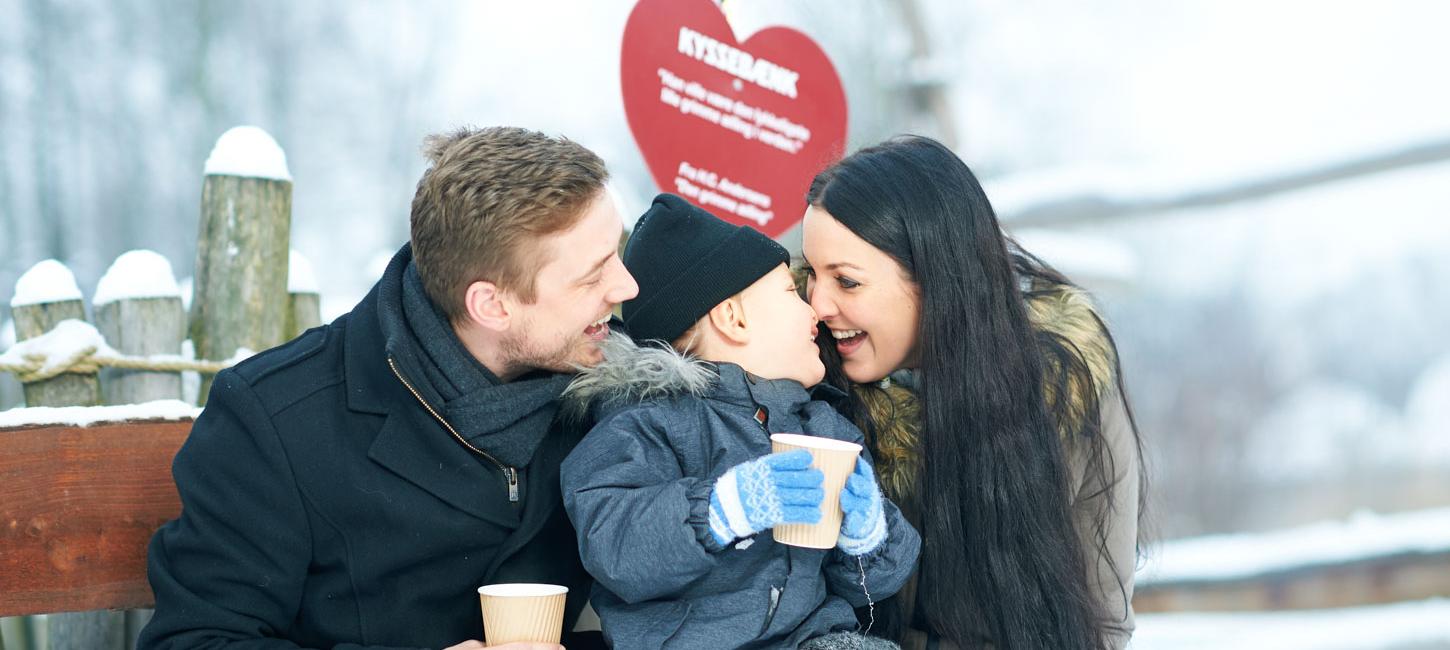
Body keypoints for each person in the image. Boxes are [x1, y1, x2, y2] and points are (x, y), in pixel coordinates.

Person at [141, 127, 638, 649]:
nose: (626, 287)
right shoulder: (274, 420)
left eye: (617, 252)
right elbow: (195, 641)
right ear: (491, 305)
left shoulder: (619, 387)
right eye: (592, 275)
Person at [799, 136, 1147, 650]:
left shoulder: (1061, 385)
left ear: (934, 279)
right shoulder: (806, 383)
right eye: (810, 272)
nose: (817, 304)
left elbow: (1103, 614)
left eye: (847, 282)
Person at [559, 194, 920, 649]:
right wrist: (723, 509)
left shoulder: (823, 427)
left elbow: (869, 587)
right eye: (791, 292)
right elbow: (614, 545)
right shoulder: (645, 423)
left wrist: (867, 537)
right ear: (733, 318)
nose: (815, 313)